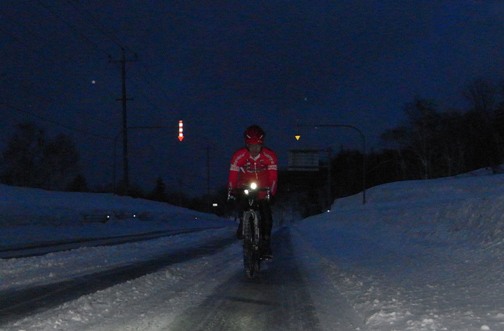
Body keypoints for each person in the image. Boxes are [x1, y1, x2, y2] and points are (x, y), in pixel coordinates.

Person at [228, 124, 278, 259]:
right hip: (244, 186)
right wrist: (232, 190)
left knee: (266, 216)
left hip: (263, 188)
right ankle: (243, 223)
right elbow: (233, 175)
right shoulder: (239, 156)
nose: (254, 149)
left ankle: (266, 243)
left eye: (257, 145)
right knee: (242, 203)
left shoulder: (270, 156)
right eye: (251, 145)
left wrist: (271, 193)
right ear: (246, 144)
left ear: (262, 144)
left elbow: (273, 177)